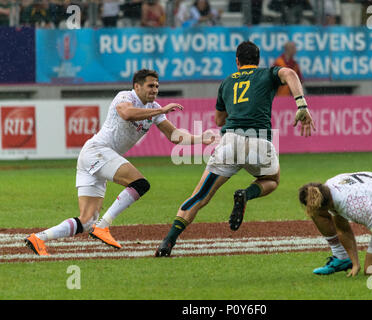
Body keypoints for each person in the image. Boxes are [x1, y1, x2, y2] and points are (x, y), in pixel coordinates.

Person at [25, 69, 215, 256]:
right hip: (97, 152)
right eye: (150, 85)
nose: (155, 89)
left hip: (97, 158)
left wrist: (200, 138)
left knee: (86, 221)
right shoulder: (125, 97)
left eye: (157, 86)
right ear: (137, 86)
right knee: (140, 184)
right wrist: (161, 109)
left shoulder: (154, 108)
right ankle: (103, 227)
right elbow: (127, 113)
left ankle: (39, 238)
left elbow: (174, 136)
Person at [155, 40, 316, 257]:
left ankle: (168, 241)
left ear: (237, 61)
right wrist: (301, 105)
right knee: (272, 180)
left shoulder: (227, 82)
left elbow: (219, 120)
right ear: (257, 61)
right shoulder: (266, 74)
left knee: (200, 196)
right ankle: (246, 194)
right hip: (260, 141)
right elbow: (289, 74)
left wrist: (238, 109)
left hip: (230, 141)